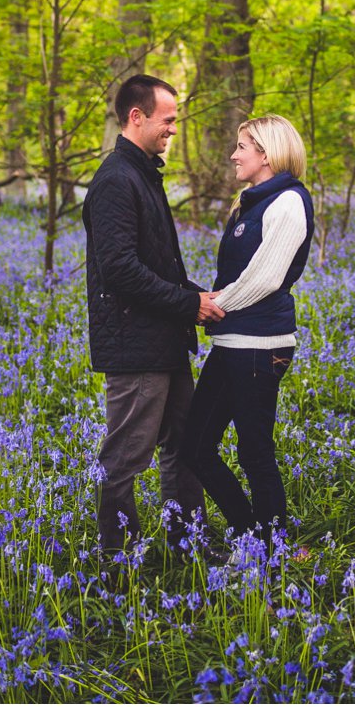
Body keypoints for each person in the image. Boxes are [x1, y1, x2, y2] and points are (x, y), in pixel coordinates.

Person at [83, 74, 225, 557]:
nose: (173, 130)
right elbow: (120, 270)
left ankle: (189, 544)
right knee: (125, 458)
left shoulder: (143, 173)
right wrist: (189, 303)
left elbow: (154, 264)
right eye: (167, 121)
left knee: (185, 447)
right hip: (135, 347)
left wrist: (197, 297)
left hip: (163, 340)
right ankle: (117, 563)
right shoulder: (116, 181)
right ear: (136, 117)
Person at [184, 114, 315, 547]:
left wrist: (210, 306)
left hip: (261, 347)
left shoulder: (289, 202)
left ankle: (272, 552)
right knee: (195, 446)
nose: (234, 154)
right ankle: (248, 534)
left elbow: (265, 279)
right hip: (234, 342)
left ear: (266, 152)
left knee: (254, 452)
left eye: (242, 146)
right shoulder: (253, 202)